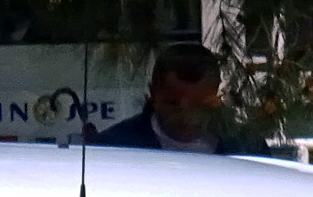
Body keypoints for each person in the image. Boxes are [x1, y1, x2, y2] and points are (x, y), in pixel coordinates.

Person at [94, 43, 264, 154]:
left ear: (217, 93)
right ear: (153, 94)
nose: (186, 116)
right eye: (173, 104)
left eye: (199, 106)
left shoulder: (248, 147)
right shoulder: (114, 147)